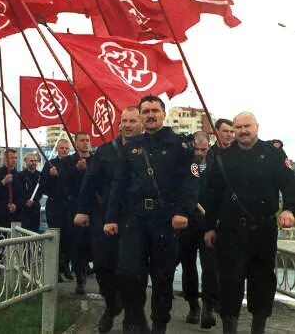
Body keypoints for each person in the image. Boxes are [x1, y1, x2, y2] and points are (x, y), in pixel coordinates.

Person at [104, 95, 199, 333]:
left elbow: (191, 182)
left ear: (163, 114)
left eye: (154, 110)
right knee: (127, 272)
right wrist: (111, 217)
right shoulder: (133, 146)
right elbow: (119, 183)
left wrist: (182, 211)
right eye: (145, 111)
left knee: (162, 278)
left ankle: (158, 325)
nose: (150, 115)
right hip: (135, 218)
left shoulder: (180, 145)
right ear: (141, 115)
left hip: (166, 219)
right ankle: (136, 317)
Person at [203, 112, 295, 333]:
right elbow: (212, 194)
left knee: (262, 281)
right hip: (230, 229)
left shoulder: (273, 153)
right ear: (233, 130)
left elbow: (290, 185)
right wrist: (208, 227)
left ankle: (258, 328)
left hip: (263, 229)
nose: (243, 131)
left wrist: (290, 210)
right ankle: (230, 328)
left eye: (247, 126)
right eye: (238, 127)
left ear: (257, 127)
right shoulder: (223, 157)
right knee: (229, 281)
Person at [75, 106, 143, 332]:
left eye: (133, 121)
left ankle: (132, 317)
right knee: (103, 265)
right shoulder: (104, 152)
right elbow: (89, 183)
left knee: (129, 269)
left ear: (141, 123)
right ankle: (112, 304)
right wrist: (82, 210)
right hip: (103, 215)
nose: (127, 125)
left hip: (136, 217)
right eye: (124, 121)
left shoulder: (147, 150)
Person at [176, 131, 219, 329]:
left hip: (208, 221)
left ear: (208, 146)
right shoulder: (184, 162)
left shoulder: (216, 162)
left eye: (203, 149)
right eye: (197, 149)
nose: (200, 152)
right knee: (188, 265)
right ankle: (193, 304)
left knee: (210, 266)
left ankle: (208, 305)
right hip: (187, 221)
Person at [61, 131, 93, 294]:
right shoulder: (68, 161)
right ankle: (80, 279)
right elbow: (62, 181)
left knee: (95, 245)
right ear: (75, 142)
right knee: (77, 245)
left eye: (87, 140)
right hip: (75, 207)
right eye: (82, 140)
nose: (85, 143)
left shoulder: (95, 159)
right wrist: (76, 169)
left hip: (95, 207)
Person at [40, 138, 74, 281]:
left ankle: (65, 265)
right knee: (56, 236)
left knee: (69, 237)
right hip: (54, 205)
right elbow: (42, 184)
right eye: (62, 148)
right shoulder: (50, 164)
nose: (64, 150)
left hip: (69, 205)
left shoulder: (73, 163)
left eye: (66, 148)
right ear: (58, 149)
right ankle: (56, 270)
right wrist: (50, 175)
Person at [0, 149, 21, 227]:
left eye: (15, 158)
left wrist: (16, 205)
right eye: (11, 158)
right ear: (5, 159)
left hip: (15, 214)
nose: (14, 160)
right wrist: (3, 182)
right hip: (0, 213)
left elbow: (21, 194)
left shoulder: (20, 176)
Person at [16, 152, 42, 231]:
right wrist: (24, 202)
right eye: (31, 161)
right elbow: (17, 193)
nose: (34, 163)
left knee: (35, 232)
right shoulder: (20, 176)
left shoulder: (40, 176)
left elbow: (41, 192)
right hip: (24, 211)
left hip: (35, 209)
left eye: (35, 161)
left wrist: (35, 200)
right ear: (26, 162)